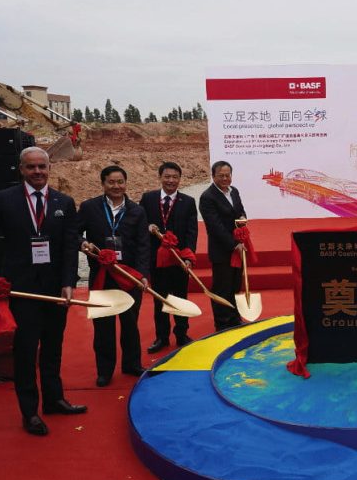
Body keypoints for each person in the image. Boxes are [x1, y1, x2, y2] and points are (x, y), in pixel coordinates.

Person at [0, 146, 86, 436]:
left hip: (55, 290)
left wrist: (69, 283)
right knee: (27, 351)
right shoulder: (4, 200)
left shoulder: (63, 202)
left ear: (49, 168)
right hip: (22, 290)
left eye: (42, 166)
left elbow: (69, 246)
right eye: (31, 167)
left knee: (53, 348)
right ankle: (29, 412)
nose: (37, 172)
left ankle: (54, 400)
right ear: (21, 169)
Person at [78, 166, 149, 387]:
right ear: (103, 184)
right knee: (103, 327)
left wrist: (143, 275)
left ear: (126, 183)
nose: (116, 186)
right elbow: (73, 232)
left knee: (130, 324)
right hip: (102, 276)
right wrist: (82, 243)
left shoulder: (137, 211)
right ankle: (105, 370)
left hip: (129, 277)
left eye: (120, 182)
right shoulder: (90, 208)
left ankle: (132, 364)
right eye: (111, 182)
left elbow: (143, 246)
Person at [139, 162, 198, 353]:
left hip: (179, 259)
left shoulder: (188, 201)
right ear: (160, 177)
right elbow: (140, 225)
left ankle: (181, 334)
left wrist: (188, 256)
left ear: (180, 179)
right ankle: (161, 337)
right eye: (167, 176)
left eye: (175, 177)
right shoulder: (148, 199)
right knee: (160, 299)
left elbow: (192, 232)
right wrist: (147, 227)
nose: (171, 180)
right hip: (157, 261)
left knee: (180, 297)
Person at [199, 161, 246, 330]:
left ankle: (234, 317)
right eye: (221, 175)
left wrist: (243, 228)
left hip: (239, 248)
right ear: (213, 176)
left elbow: (240, 212)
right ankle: (222, 323)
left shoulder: (234, 192)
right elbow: (214, 226)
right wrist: (233, 244)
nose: (225, 178)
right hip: (222, 251)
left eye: (228, 175)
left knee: (235, 284)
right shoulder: (208, 197)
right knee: (222, 288)